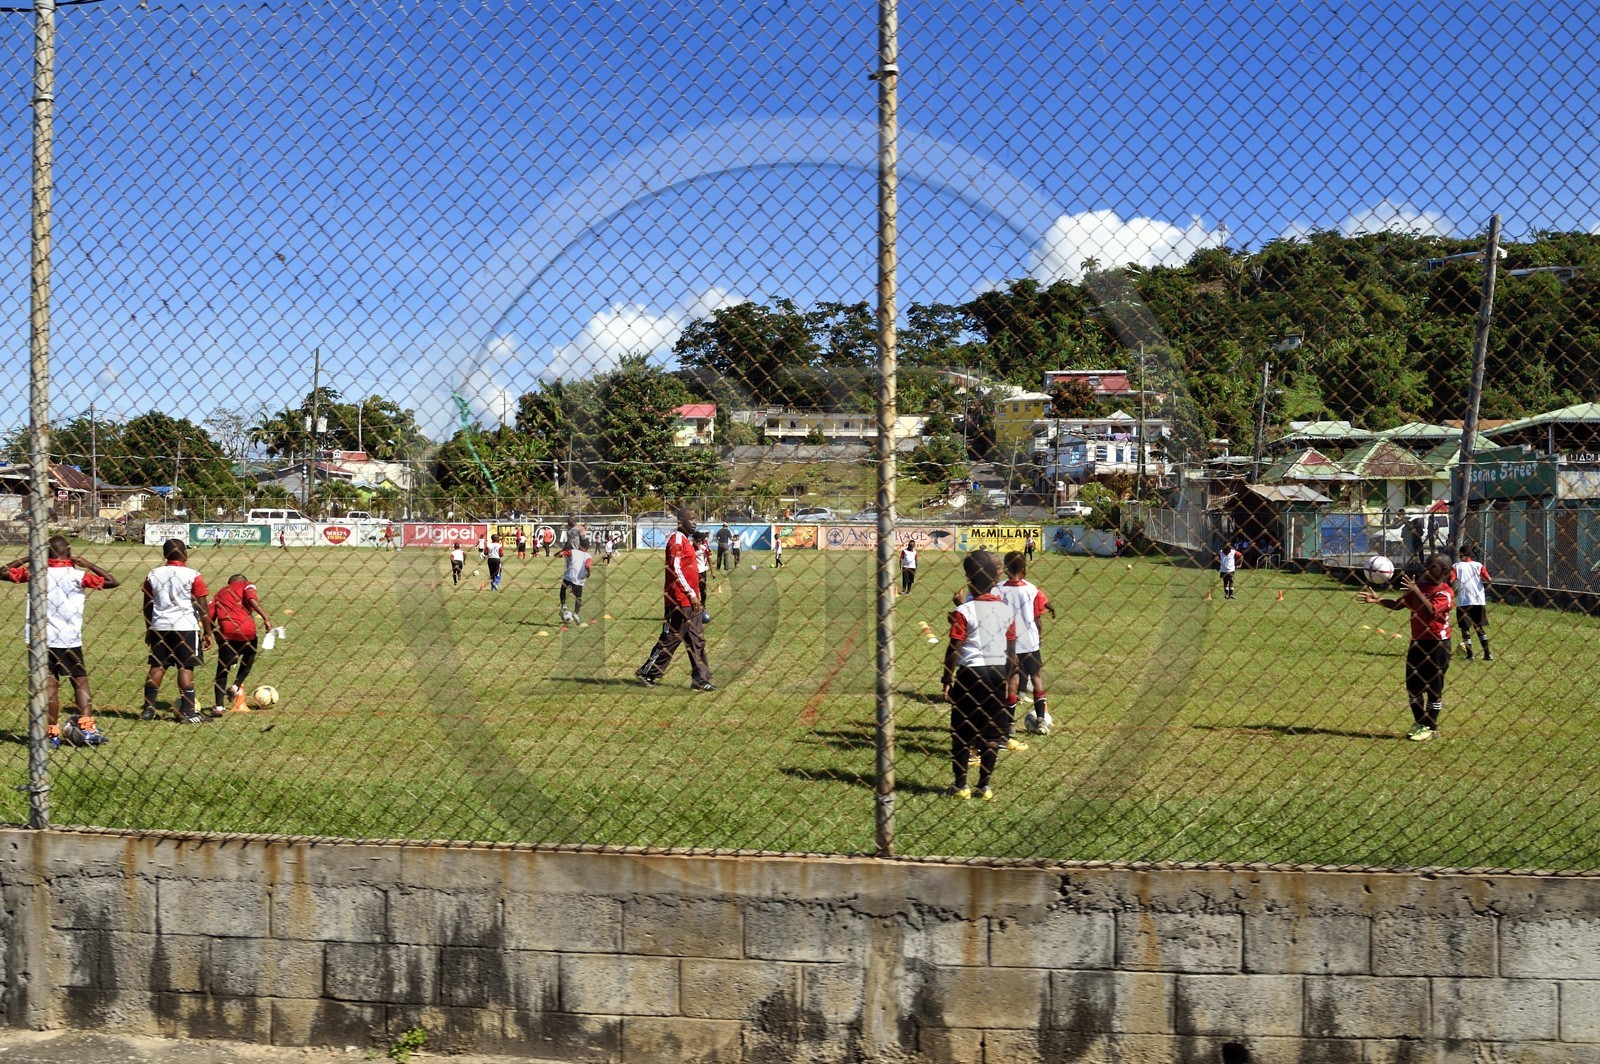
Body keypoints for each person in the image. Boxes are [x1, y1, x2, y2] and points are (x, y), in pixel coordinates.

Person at [1, 536, 118, 747]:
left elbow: (1, 572)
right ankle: (87, 727)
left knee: (50, 686)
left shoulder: (36, 573)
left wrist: (30, 558)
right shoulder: (77, 575)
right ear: (69, 553)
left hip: (40, 639)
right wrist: (88, 564)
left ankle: (50, 734)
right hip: (68, 638)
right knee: (79, 681)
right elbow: (113, 581)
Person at [940, 551, 1017, 801]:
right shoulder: (1006, 612)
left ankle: (960, 785)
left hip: (971, 674)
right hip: (997, 672)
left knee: (962, 731)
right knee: (992, 734)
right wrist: (1008, 680)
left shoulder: (965, 611)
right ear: (994, 582)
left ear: (970, 581)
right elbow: (1012, 652)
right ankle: (984, 786)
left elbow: (954, 648)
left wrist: (946, 679)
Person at [1357, 553, 1456, 742]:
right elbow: (1397, 605)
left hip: (1438, 645)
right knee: (1413, 687)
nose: (1426, 569)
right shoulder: (1418, 587)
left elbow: (1430, 612)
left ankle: (1431, 727)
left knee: (1434, 688)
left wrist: (1416, 590)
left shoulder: (1445, 592)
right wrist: (1378, 600)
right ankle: (1420, 723)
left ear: (1444, 571)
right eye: (1426, 564)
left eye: (1431, 566)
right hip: (1417, 643)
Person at [635, 506, 714, 691]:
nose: (695, 521)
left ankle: (701, 680)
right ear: (681, 521)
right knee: (670, 639)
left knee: (697, 640)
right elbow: (676, 569)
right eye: (691, 518)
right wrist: (691, 594)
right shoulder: (676, 540)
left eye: (696, 518)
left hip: (691, 602)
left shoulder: (686, 540)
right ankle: (647, 672)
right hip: (679, 600)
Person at [141, 538, 215, 725]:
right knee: (185, 667)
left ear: (165, 555)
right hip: (185, 627)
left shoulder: (153, 574)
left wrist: (150, 626)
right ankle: (189, 712)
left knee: (158, 666)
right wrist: (208, 631)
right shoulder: (193, 575)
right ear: (185, 555)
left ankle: (148, 710)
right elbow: (203, 606)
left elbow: (147, 604)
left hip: (160, 627)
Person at [209, 573, 272, 715]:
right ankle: (236, 686)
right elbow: (251, 599)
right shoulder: (246, 584)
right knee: (249, 657)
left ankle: (219, 706)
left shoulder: (220, 593)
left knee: (222, 670)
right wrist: (266, 618)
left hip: (226, 633)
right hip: (246, 630)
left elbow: (208, 616)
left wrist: (214, 633)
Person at [1453, 544, 1493, 660]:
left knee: (1465, 628)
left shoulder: (1457, 566)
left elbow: (1451, 579)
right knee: (1479, 627)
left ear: (1461, 554)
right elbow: (1488, 579)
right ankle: (1487, 654)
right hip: (1478, 600)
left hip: (1463, 601)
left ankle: (1470, 655)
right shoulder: (1478, 565)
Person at [559, 535, 593, 622]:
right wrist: (588, 573)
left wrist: (560, 554)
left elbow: (562, 554)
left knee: (563, 590)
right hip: (579, 579)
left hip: (569, 575)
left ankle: (563, 605)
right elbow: (587, 565)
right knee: (578, 598)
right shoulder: (588, 556)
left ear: (579, 545)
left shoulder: (573, 551)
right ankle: (575, 614)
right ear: (588, 547)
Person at [693, 530, 712, 602]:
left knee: (703, 590)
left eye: (700, 540)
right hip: (693, 572)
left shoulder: (703, 548)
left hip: (702, 571)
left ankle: (703, 604)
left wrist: (712, 572)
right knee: (694, 589)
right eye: (697, 540)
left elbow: (709, 558)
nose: (699, 542)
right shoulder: (690, 548)